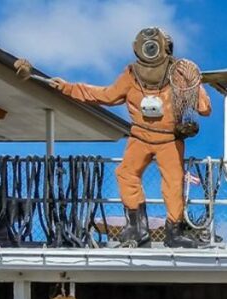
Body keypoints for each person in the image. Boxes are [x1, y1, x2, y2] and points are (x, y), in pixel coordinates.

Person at [15, 27, 211, 248]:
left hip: (169, 139)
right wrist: (68, 88)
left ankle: (174, 231)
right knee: (127, 174)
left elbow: (203, 108)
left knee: (173, 183)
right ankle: (137, 228)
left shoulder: (179, 75)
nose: (151, 51)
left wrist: (193, 83)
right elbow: (105, 95)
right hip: (140, 137)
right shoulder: (131, 75)